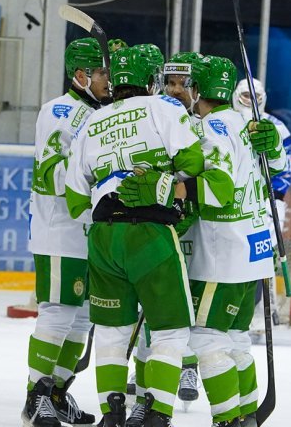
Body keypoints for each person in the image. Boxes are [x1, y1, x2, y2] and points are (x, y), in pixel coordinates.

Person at [65, 45, 204, 427]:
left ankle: (112, 414)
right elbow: (192, 162)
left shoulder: (92, 120)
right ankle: (157, 415)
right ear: (150, 81)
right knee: (170, 332)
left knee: (112, 332)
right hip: (150, 235)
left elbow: (75, 199)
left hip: (104, 238)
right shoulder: (164, 108)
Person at [179, 56, 285, 427]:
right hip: (254, 251)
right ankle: (246, 416)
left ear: (197, 90)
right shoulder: (246, 123)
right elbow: (275, 168)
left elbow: (218, 190)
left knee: (206, 339)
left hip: (223, 254)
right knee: (236, 338)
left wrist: (175, 192)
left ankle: (226, 420)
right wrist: (274, 149)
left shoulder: (211, 127)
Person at [21, 37, 108, 427]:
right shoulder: (59, 110)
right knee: (58, 312)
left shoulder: (102, 111)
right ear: (81, 75)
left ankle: (56, 392)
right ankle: (35, 396)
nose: (108, 80)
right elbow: (50, 175)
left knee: (84, 317)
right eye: (101, 73)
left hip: (91, 232)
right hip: (60, 229)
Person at [232, 78, 291, 344]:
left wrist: (275, 201)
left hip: (266, 202)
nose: (250, 101)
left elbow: (284, 169)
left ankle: (261, 311)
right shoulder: (225, 122)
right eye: (246, 95)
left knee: (263, 255)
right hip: (235, 201)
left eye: (255, 96)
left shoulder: (277, 127)